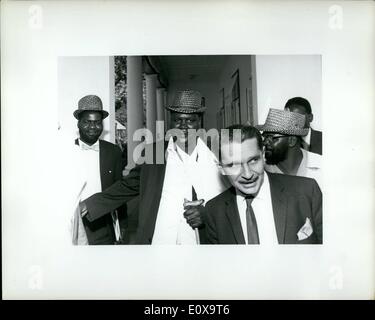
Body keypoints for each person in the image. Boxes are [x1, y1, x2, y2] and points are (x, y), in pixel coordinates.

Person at [80, 90, 229, 244]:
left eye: (190, 120)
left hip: (202, 243)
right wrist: (88, 205)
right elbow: (128, 186)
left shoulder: (216, 153)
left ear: (200, 121)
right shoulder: (154, 152)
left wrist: (206, 213)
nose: (183, 126)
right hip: (160, 242)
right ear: (170, 121)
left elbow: (232, 198)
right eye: (178, 120)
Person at [204, 125, 322, 245]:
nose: (248, 174)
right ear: (221, 169)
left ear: (263, 155)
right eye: (234, 165)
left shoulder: (307, 191)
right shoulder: (214, 211)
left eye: (253, 160)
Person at [72, 94, 126, 245]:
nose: (92, 127)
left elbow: (119, 191)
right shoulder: (66, 150)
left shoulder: (113, 152)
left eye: (97, 123)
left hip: (103, 223)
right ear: (78, 124)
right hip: (74, 223)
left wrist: (122, 227)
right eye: (87, 122)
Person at [257, 108, 322, 187]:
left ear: (292, 140)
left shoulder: (321, 165)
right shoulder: (262, 170)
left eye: (271, 137)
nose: (265, 142)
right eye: (264, 137)